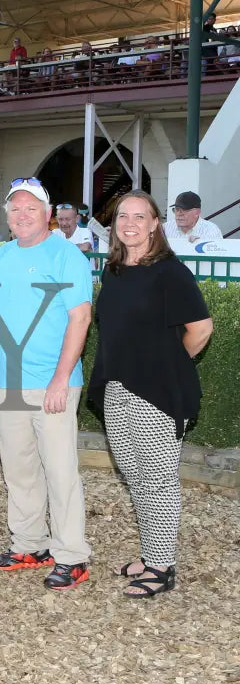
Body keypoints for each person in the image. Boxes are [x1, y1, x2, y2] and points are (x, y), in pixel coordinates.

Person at [88, 191, 213, 598]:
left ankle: (161, 567)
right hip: (117, 385)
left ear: (156, 223)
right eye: (123, 215)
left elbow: (201, 329)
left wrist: (169, 363)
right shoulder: (115, 271)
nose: (130, 223)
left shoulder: (170, 273)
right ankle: (152, 552)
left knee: (157, 480)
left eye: (140, 216)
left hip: (156, 393)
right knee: (134, 475)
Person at [0, 177, 93, 591]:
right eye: (15, 208)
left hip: (53, 383)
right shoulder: (5, 255)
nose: (22, 214)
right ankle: (30, 544)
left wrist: (62, 379)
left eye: (31, 208)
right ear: (7, 216)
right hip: (10, 382)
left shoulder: (67, 256)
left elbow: (80, 318)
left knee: (61, 471)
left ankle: (72, 554)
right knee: (19, 469)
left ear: (48, 214)